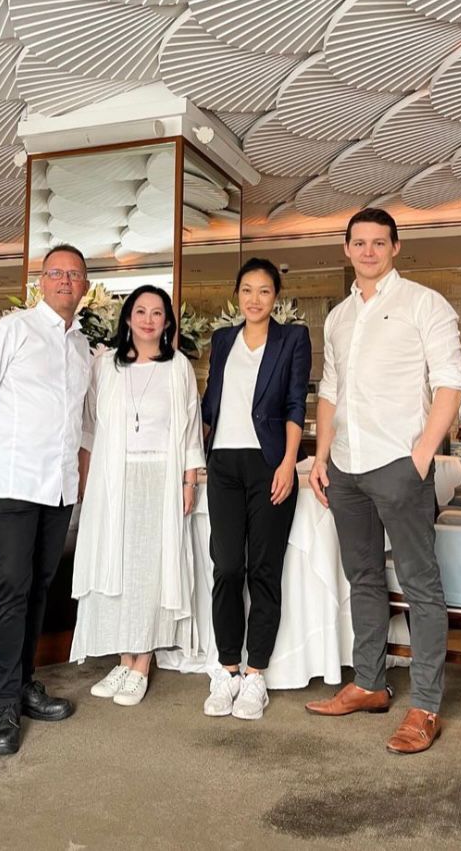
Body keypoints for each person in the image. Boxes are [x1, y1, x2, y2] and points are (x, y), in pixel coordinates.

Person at [305, 209, 461, 754]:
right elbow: (330, 393)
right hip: (345, 467)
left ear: (396, 247)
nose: (369, 251)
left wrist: (421, 456)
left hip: (400, 465)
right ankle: (370, 684)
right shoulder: (338, 317)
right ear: (346, 249)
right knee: (364, 579)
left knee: (421, 585)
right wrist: (322, 457)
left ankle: (425, 706)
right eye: (359, 243)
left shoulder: (424, 304)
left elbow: (449, 384)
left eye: (379, 242)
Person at [0, 244, 91, 756]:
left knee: (40, 586)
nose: (65, 281)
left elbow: (81, 420)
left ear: (84, 286)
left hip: (57, 487)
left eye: (74, 275)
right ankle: (4, 705)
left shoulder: (81, 348)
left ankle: (26, 682)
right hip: (15, 481)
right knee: (12, 587)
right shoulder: (12, 331)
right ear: (40, 281)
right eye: (56, 273)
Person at [71, 285, 204, 706]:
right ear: (127, 318)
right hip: (113, 479)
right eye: (141, 311)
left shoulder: (178, 366)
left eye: (157, 313)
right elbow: (90, 426)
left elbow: (190, 429)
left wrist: (189, 481)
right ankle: (122, 658)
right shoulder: (105, 365)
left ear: (167, 322)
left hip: (159, 479)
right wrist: (87, 479)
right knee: (116, 569)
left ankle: (142, 662)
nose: (149, 319)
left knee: (149, 569)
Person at [201, 258, 312, 720]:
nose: (254, 299)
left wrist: (288, 463)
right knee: (227, 567)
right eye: (247, 290)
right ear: (237, 294)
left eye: (264, 291)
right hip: (223, 463)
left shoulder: (293, 338)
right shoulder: (223, 340)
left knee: (263, 570)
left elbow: (293, 405)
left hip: (269, 463)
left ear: (275, 297)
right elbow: (211, 403)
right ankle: (227, 669)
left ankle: (255, 676)